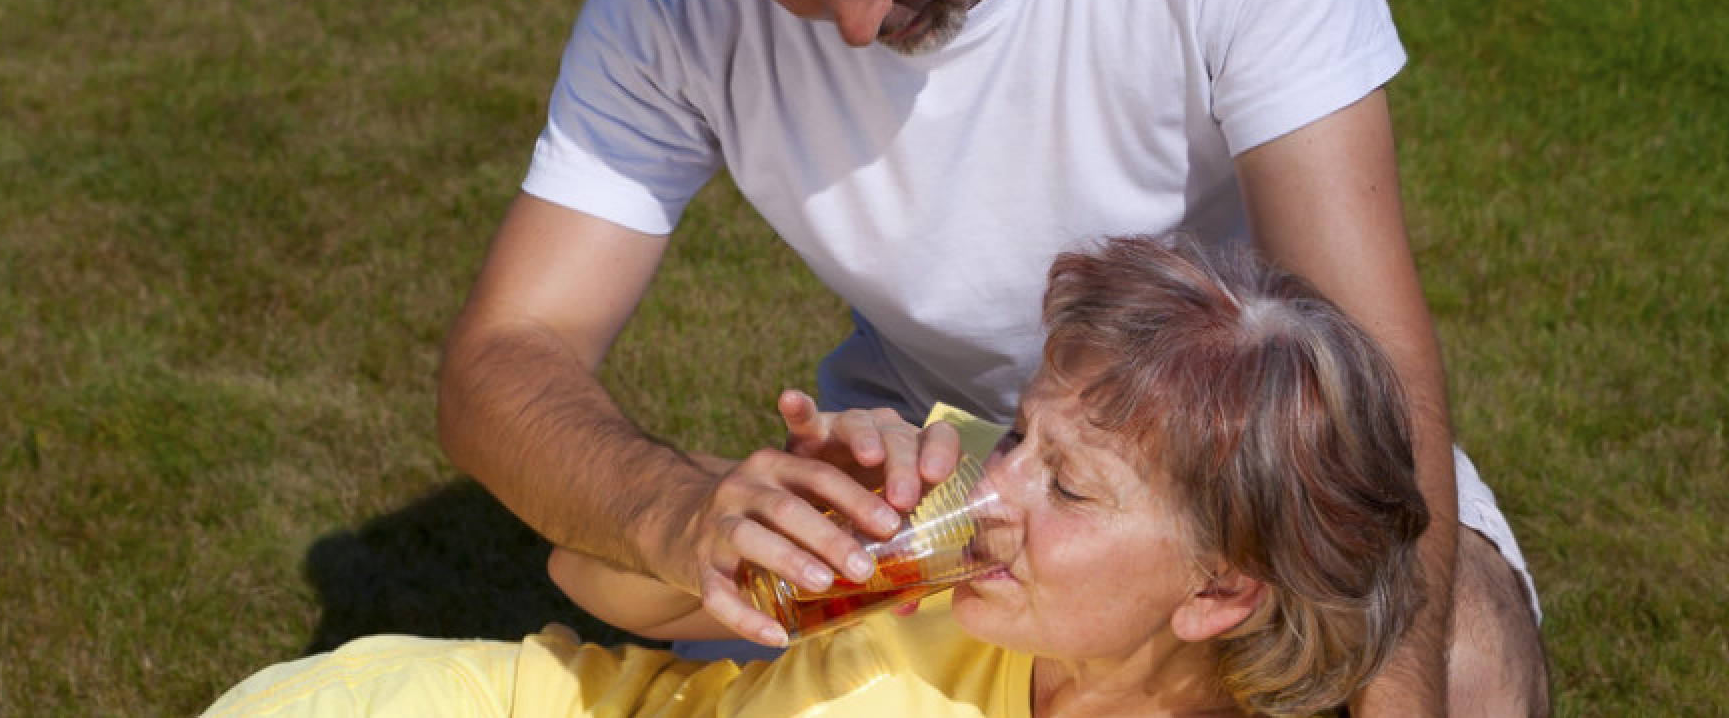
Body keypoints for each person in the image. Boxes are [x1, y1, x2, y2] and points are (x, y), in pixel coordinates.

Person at [435, 0, 1547, 714]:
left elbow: (1367, 349)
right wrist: (676, 514)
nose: (855, 27)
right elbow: (504, 356)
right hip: (945, 457)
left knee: (1461, 667)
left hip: (1240, 455)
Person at [211, 236, 1429, 718]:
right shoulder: (943, 541)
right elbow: (584, 575)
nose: (998, 491)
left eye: (1070, 489)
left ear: (1219, 591)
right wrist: (740, 531)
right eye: (1022, 438)